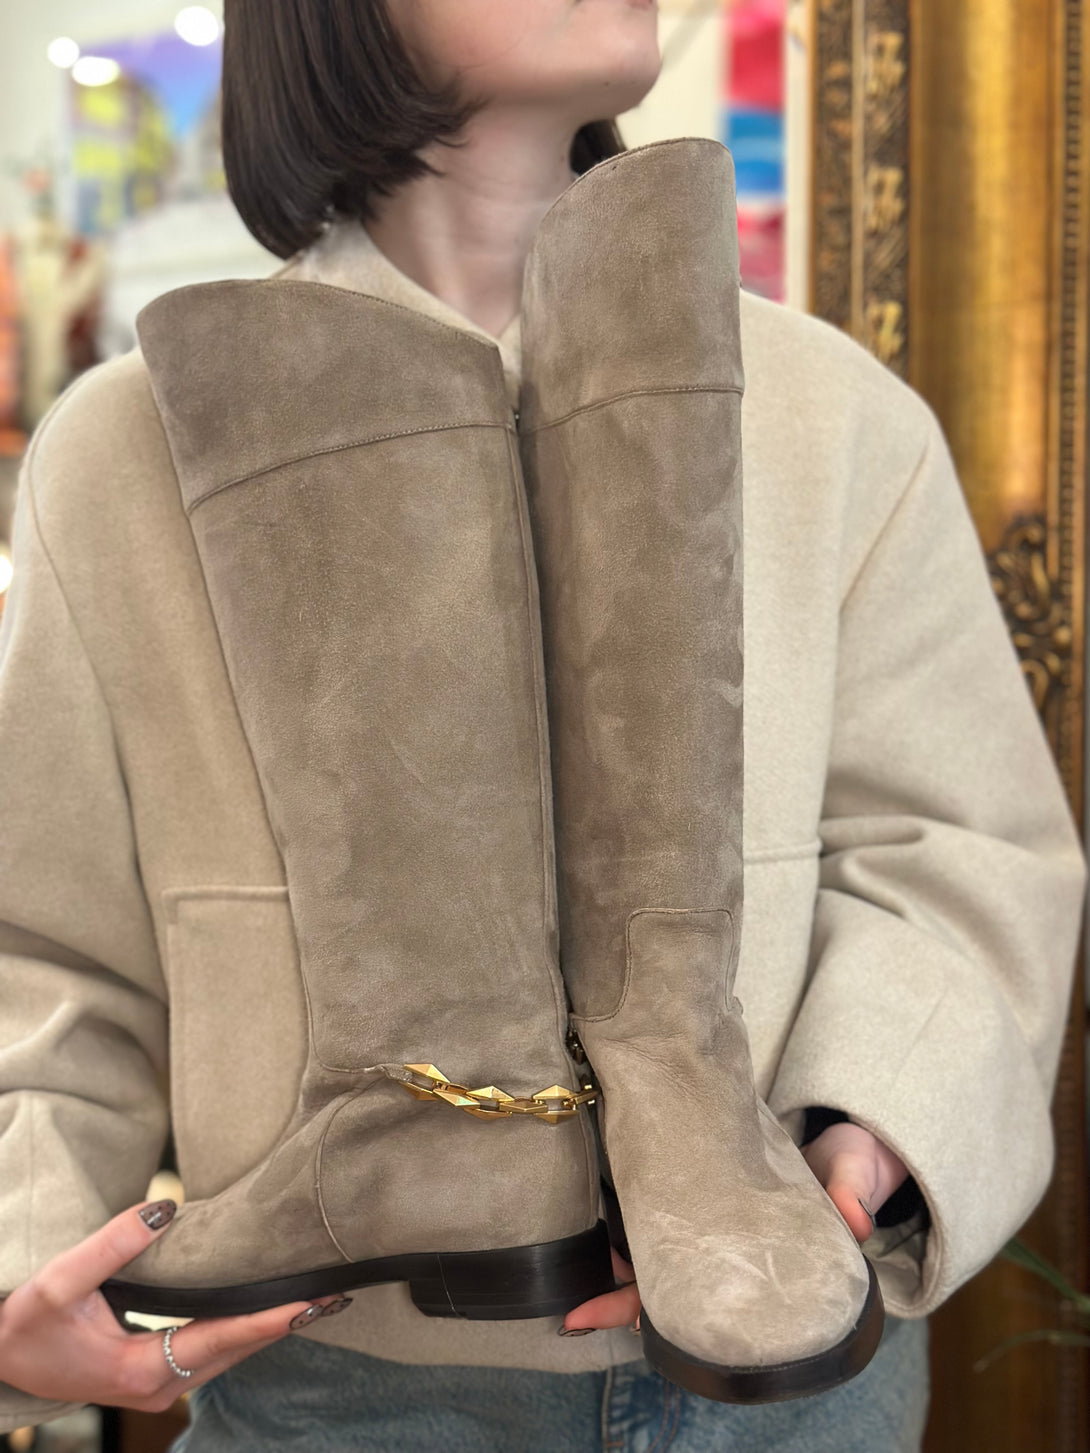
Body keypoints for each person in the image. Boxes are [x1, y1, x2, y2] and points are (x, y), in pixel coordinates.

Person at [0, 1, 1085, 1449]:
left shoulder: (829, 413)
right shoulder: (132, 447)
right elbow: (47, 946)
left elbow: (956, 852)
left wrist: (870, 1130)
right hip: (342, 1383)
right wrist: (26, 1255)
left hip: (788, 1371)